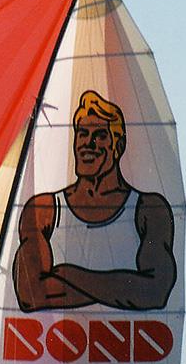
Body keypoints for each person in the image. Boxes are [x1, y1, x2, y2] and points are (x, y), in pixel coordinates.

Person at [13, 90, 177, 312]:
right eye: (82, 134)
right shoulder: (44, 209)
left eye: (100, 135)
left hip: (122, 346)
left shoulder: (150, 209)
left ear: (118, 147)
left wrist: (69, 274)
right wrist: (122, 287)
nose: (87, 144)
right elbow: (30, 295)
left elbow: (155, 292)